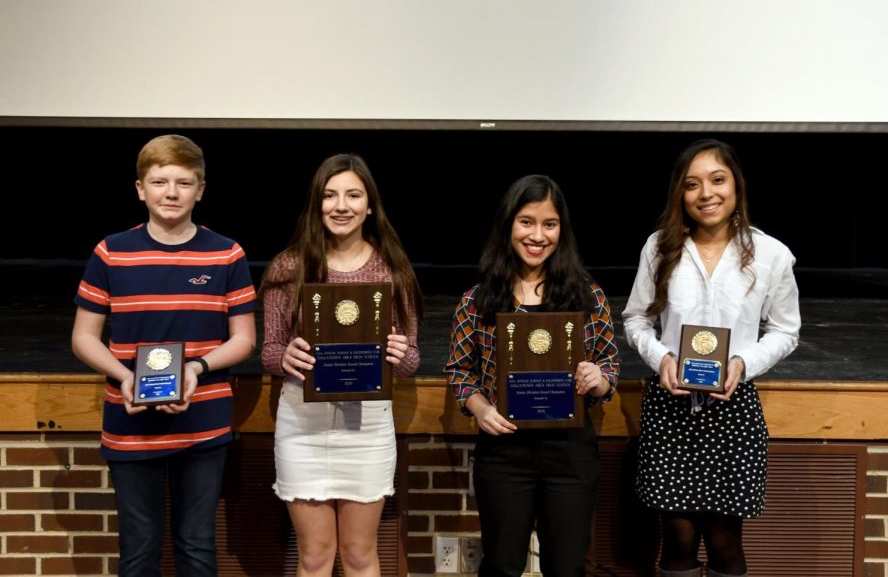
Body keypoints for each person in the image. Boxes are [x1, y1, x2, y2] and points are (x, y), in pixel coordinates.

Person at [71, 134, 257, 576]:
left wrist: (196, 367)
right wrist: (125, 376)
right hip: (130, 420)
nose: (171, 193)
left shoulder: (226, 253)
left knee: (196, 547)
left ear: (201, 189)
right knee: (138, 550)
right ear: (140, 188)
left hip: (203, 421)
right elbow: (83, 337)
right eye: (159, 182)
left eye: (183, 182)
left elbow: (244, 339)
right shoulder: (111, 252)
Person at [622, 139, 801, 577]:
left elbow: (785, 331)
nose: (707, 194)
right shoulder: (659, 248)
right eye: (692, 185)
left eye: (717, 180)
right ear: (679, 195)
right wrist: (661, 358)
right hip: (671, 408)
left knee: (725, 539)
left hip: (732, 409)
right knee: (677, 539)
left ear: (736, 185)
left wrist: (741, 363)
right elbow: (636, 321)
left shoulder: (771, 255)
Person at [445, 174, 620, 577]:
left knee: (567, 568)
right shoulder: (478, 299)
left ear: (563, 229)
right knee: (502, 565)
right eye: (527, 222)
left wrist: (599, 379)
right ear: (509, 224)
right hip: (505, 452)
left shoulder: (587, 296)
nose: (537, 235)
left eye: (549, 224)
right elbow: (459, 371)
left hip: (570, 453)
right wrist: (481, 406)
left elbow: (609, 365)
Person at [261, 153, 421, 577]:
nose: (341, 206)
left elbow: (412, 360)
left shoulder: (393, 271)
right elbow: (269, 350)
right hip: (303, 424)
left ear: (370, 206)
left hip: (367, 426)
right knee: (313, 556)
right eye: (330, 196)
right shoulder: (289, 266)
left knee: (358, 554)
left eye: (353, 195)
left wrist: (398, 353)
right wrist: (286, 357)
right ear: (317, 205)